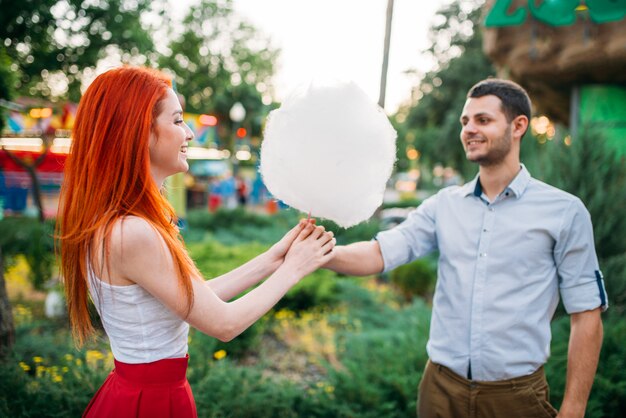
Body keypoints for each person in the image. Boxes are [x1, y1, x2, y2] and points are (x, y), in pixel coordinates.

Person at [57, 67, 336, 418]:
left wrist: (274, 259)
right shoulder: (132, 232)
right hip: (149, 403)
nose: (189, 133)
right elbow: (224, 324)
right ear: (139, 132)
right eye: (177, 121)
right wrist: (295, 268)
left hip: (141, 394)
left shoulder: (121, 223)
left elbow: (193, 298)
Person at [324, 78, 607, 417]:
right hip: (439, 390)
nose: (469, 129)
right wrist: (321, 254)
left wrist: (574, 410)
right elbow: (379, 253)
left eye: (482, 120)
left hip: (516, 397)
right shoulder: (443, 205)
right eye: (465, 121)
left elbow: (586, 315)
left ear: (518, 126)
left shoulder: (564, 211)